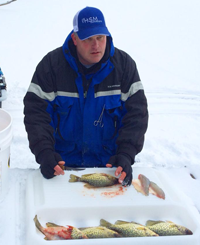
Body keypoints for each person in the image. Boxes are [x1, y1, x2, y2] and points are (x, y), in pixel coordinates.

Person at [23, 6, 148, 186]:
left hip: (109, 166)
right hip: (62, 167)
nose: (96, 45)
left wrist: (126, 153)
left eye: (100, 37)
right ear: (75, 39)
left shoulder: (124, 67)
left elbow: (136, 115)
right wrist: (44, 152)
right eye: (88, 39)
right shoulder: (50, 66)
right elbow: (36, 113)